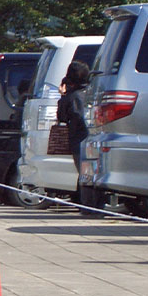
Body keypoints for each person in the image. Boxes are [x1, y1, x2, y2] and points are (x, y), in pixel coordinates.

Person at [57, 60, 100, 214]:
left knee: (85, 174)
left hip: (78, 139)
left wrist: (62, 97)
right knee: (93, 173)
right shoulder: (93, 92)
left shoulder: (72, 97)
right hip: (96, 136)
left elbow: (62, 117)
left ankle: (88, 207)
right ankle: (95, 205)